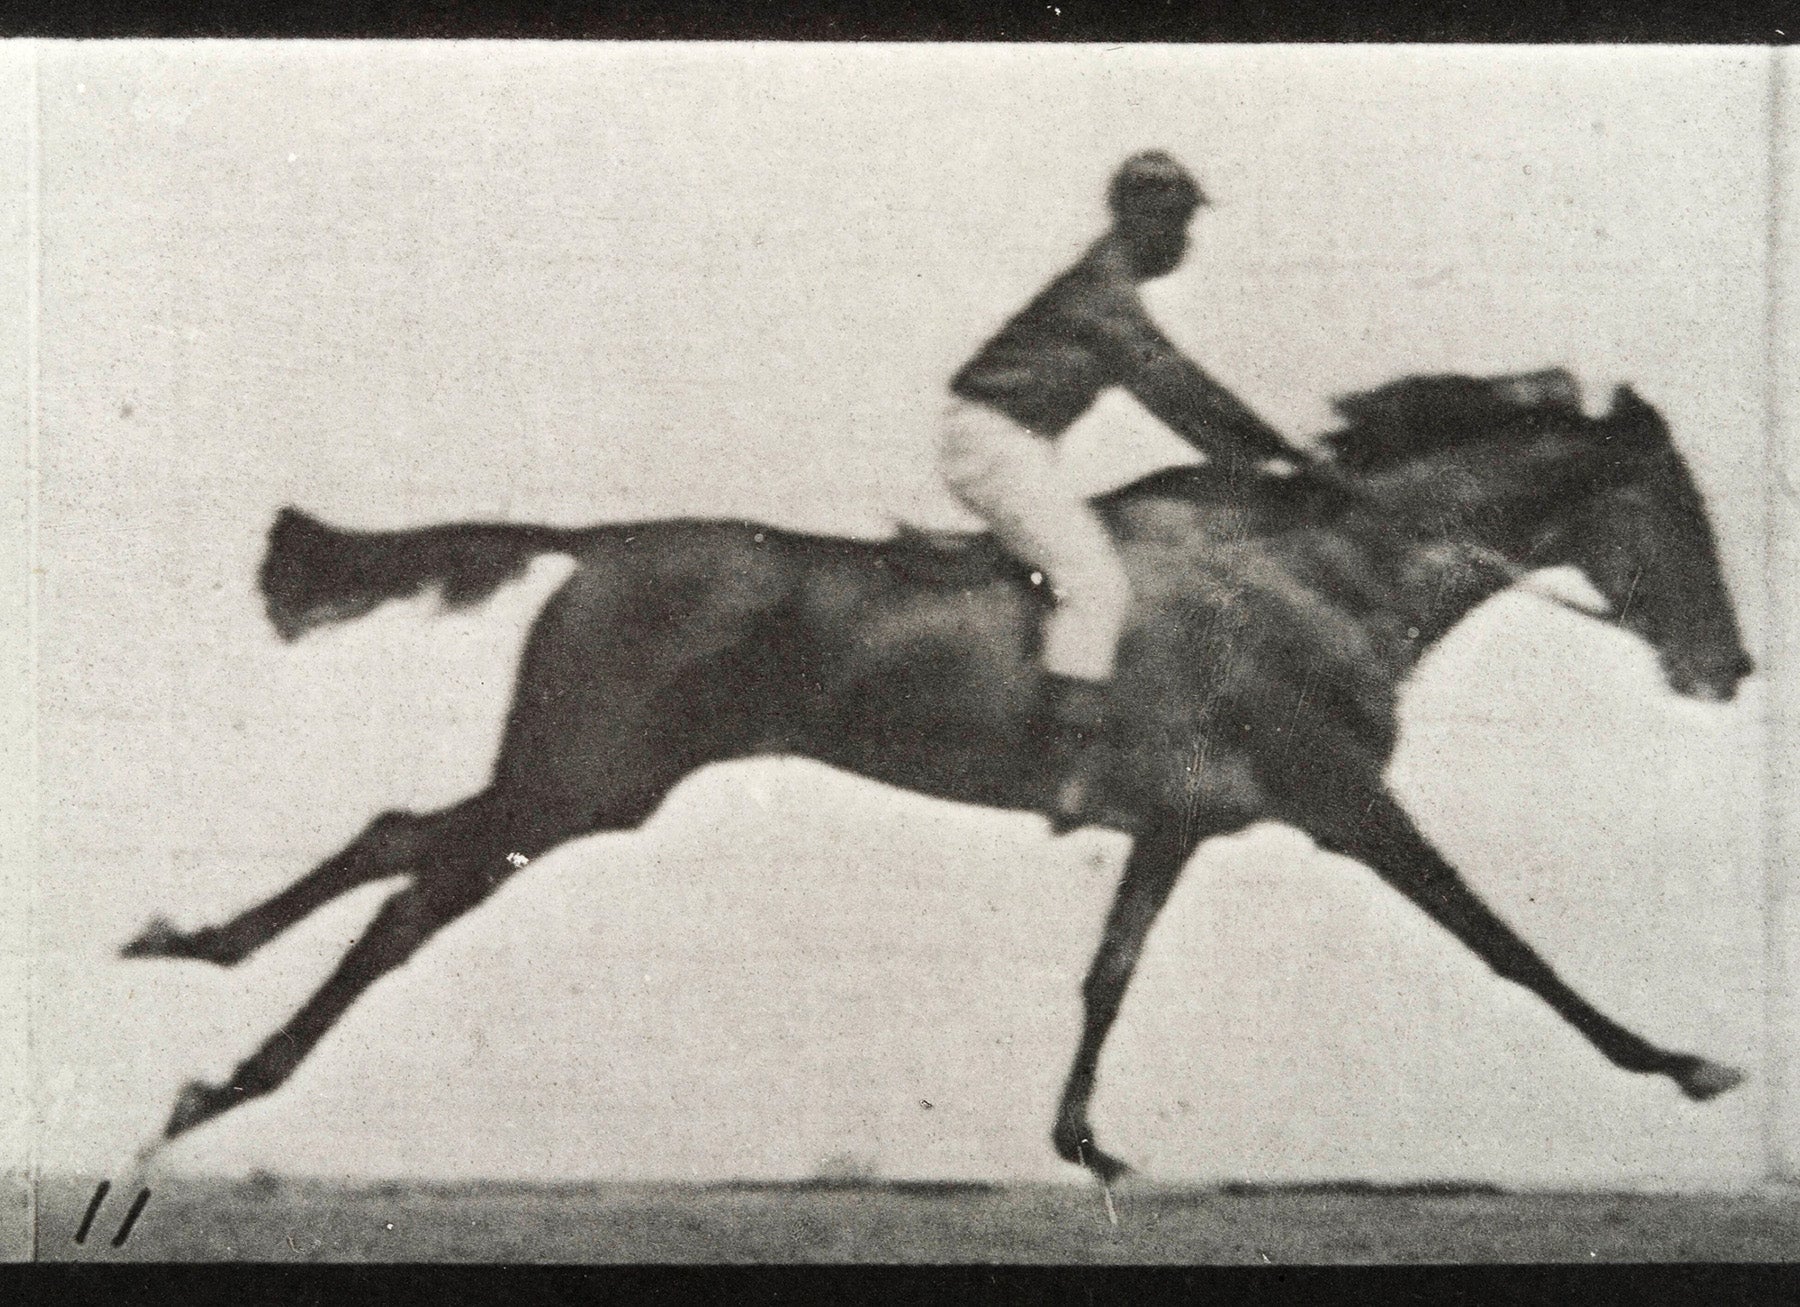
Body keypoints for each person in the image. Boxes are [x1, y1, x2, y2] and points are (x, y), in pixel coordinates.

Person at [941, 150, 1319, 831]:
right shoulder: (1103, 296)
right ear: (1138, 218)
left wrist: (1270, 455)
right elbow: (1176, 389)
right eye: (1174, 221)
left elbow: (1183, 391)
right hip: (993, 442)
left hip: (1012, 438)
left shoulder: (1107, 286)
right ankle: (1059, 768)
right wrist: (1277, 453)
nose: (1184, 239)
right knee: (1096, 584)